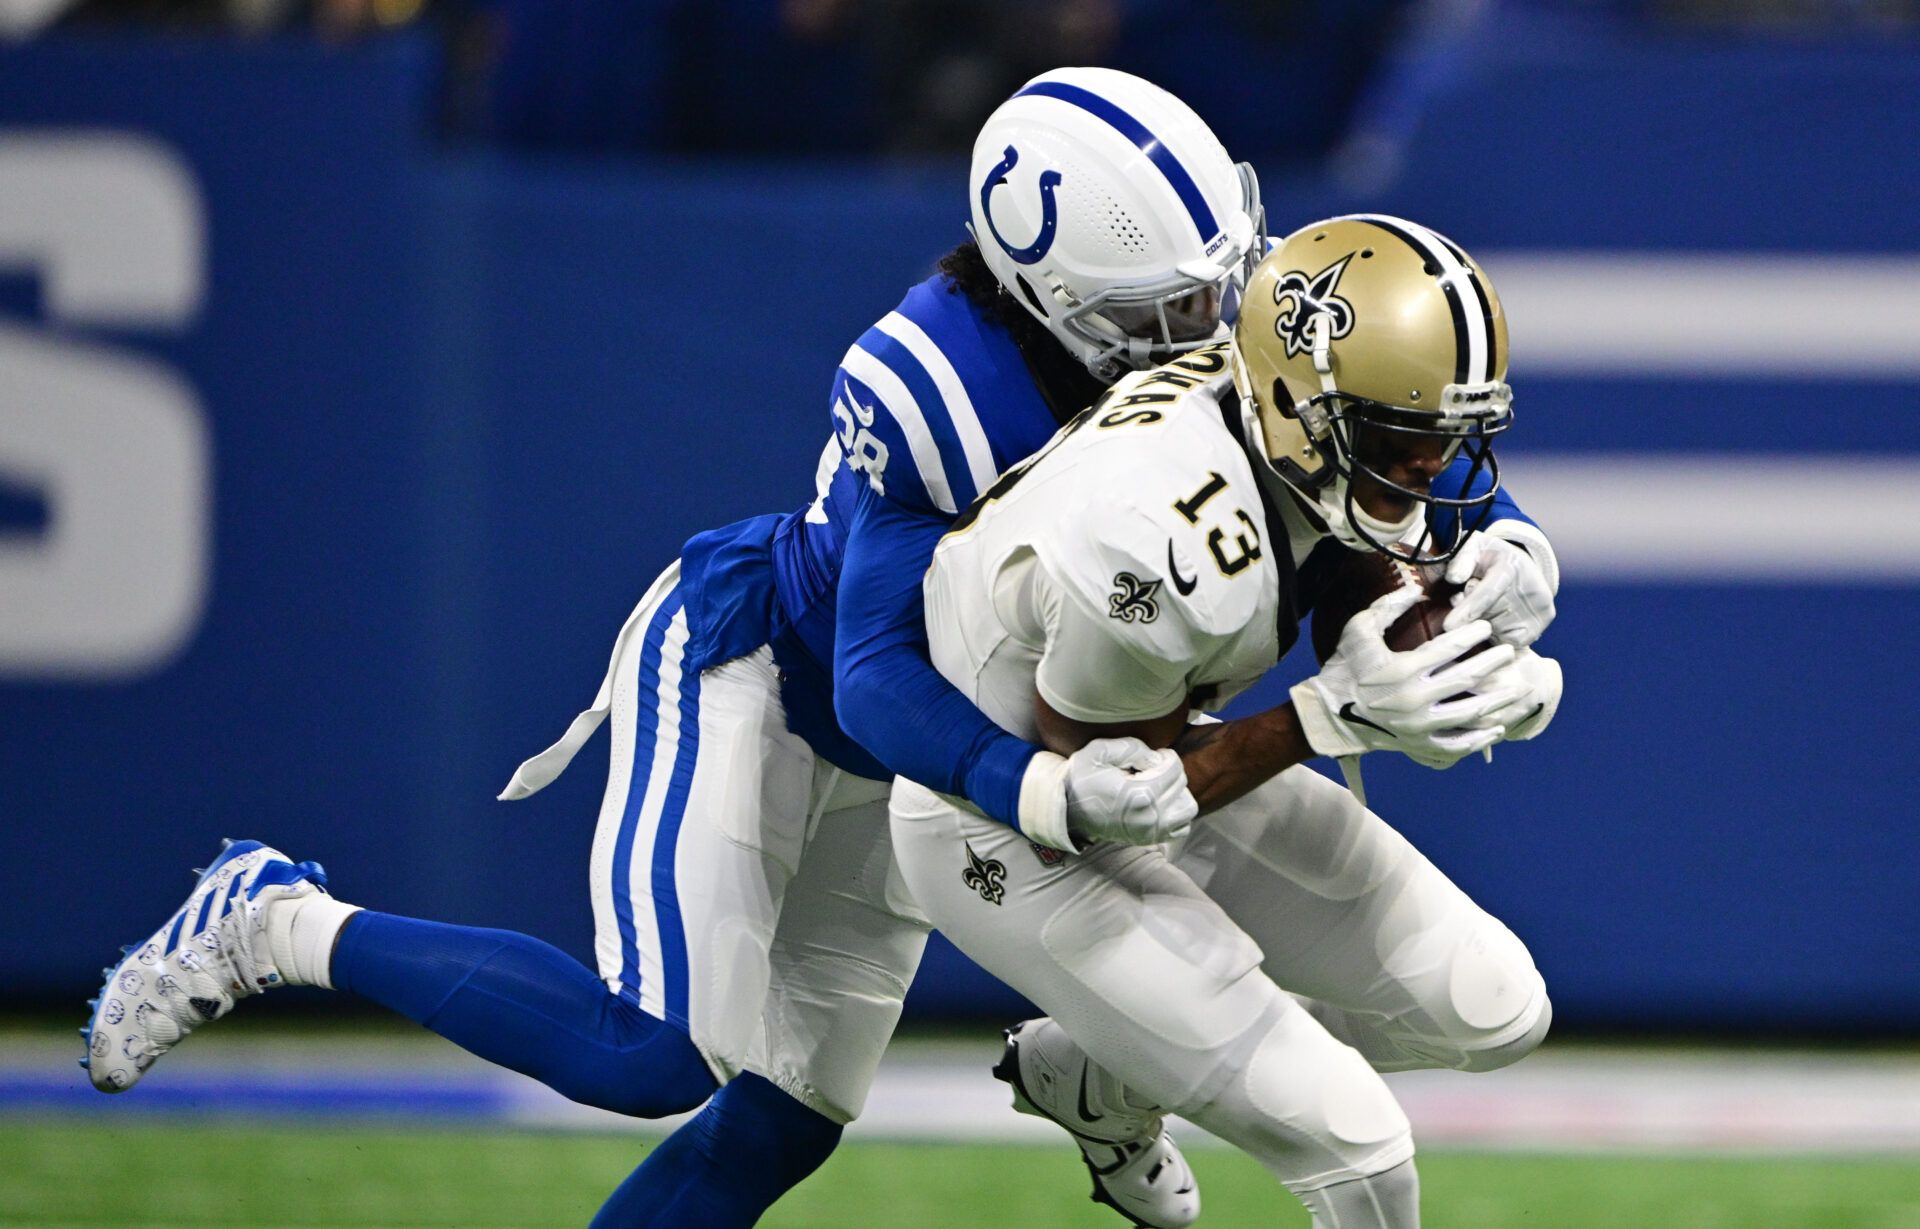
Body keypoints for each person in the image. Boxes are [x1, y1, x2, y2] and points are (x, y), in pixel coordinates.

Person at [83, 67, 1264, 1228]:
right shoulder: (944, 387)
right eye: (1158, 313)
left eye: (1209, 295)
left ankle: (1103, 1064)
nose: (1196, 334)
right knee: (649, 1054)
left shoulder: (1198, 364)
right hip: (767, 673)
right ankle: (273, 918)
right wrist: (1050, 791)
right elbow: (884, 681)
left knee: (784, 1118)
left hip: (904, 756)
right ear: (1044, 289)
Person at [888, 215, 1564, 1229]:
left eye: (1451, 435)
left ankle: (1107, 1066)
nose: (1431, 464)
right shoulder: (1151, 533)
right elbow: (1118, 796)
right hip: (1015, 819)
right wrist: (1331, 715)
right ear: (1302, 406)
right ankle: (1134, 1037)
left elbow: (1351, 556)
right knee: (1361, 1147)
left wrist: (1473, 626)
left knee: (1498, 1003)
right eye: (1404, 437)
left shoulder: (1296, 386)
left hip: (1158, 747)